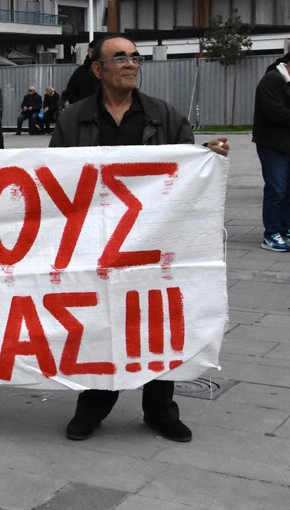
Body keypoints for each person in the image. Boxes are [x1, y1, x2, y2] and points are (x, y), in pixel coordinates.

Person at [51, 34, 228, 443]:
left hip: (153, 239)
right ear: (98, 69)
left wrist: (207, 155)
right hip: (97, 242)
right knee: (100, 323)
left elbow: (184, 165)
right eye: (120, 58)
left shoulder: (162, 115)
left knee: (155, 323)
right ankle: (93, 407)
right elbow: (56, 177)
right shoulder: (73, 118)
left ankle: (160, 411)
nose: (131, 64)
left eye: (135, 57)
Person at [251, 52, 290, 251]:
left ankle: (285, 229)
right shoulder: (272, 80)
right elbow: (275, 112)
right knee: (277, 189)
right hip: (272, 145)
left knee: (287, 190)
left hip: (286, 144)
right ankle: (271, 234)